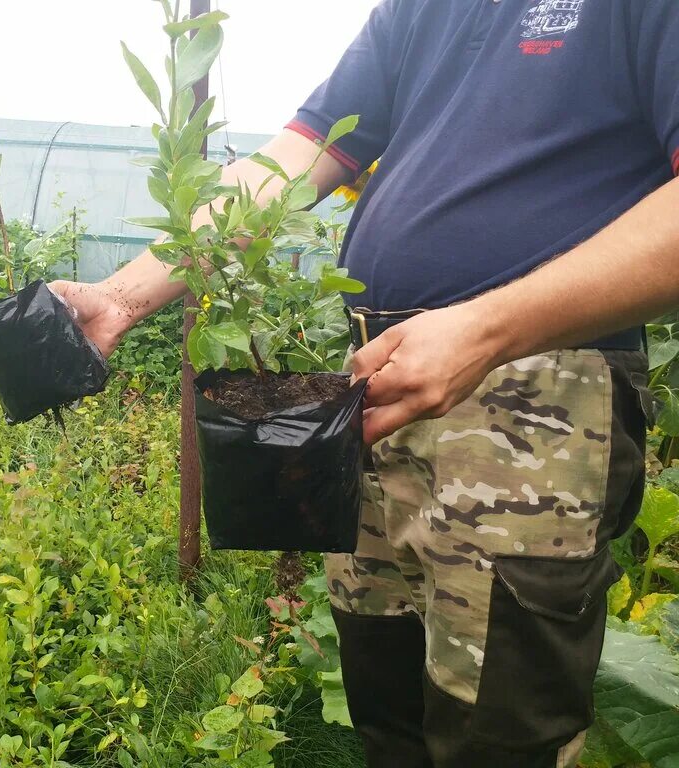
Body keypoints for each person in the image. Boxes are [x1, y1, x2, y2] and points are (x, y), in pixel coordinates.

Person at [52, 2, 679, 766]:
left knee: (501, 733)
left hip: (534, 397)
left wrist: (482, 330)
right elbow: (290, 161)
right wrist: (120, 299)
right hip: (379, 386)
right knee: (387, 709)